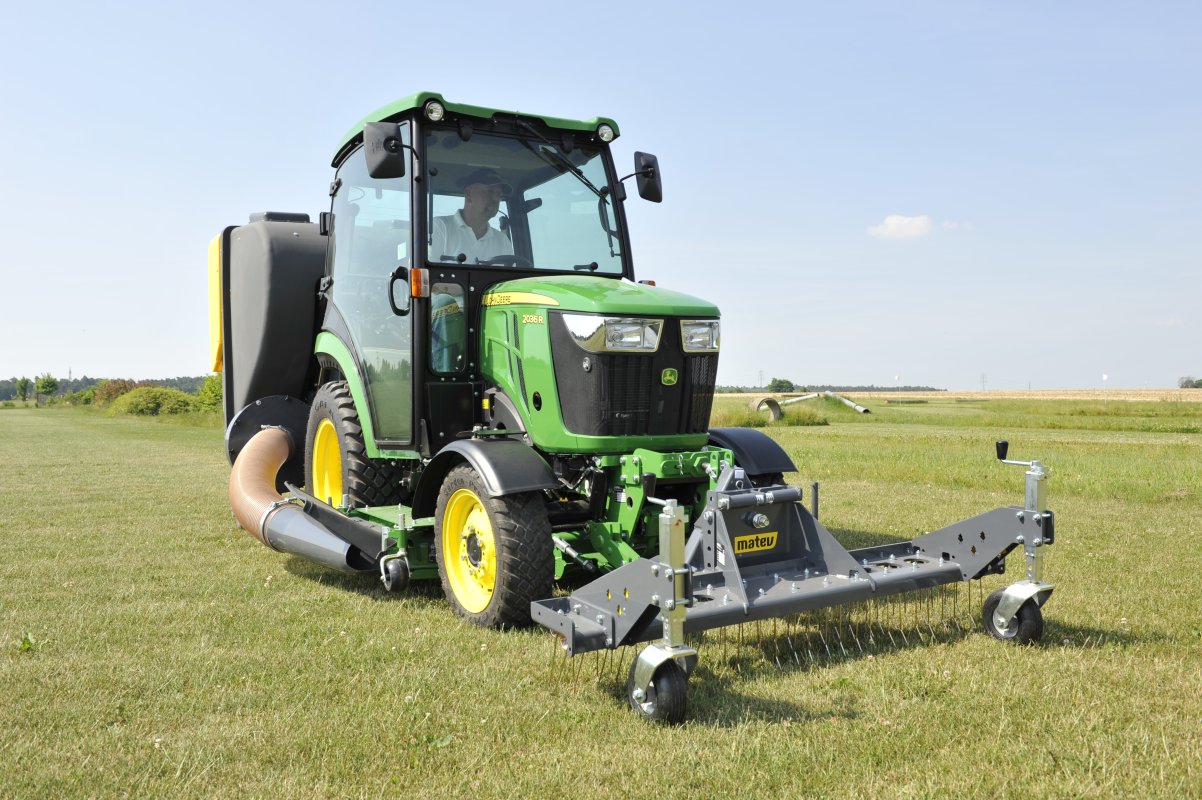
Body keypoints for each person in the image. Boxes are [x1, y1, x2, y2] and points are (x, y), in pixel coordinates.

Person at [428, 168, 515, 264]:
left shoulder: (503, 241)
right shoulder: (439, 227)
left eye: (498, 193)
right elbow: (428, 275)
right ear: (468, 194)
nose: (495, 198)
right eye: (489, 191)